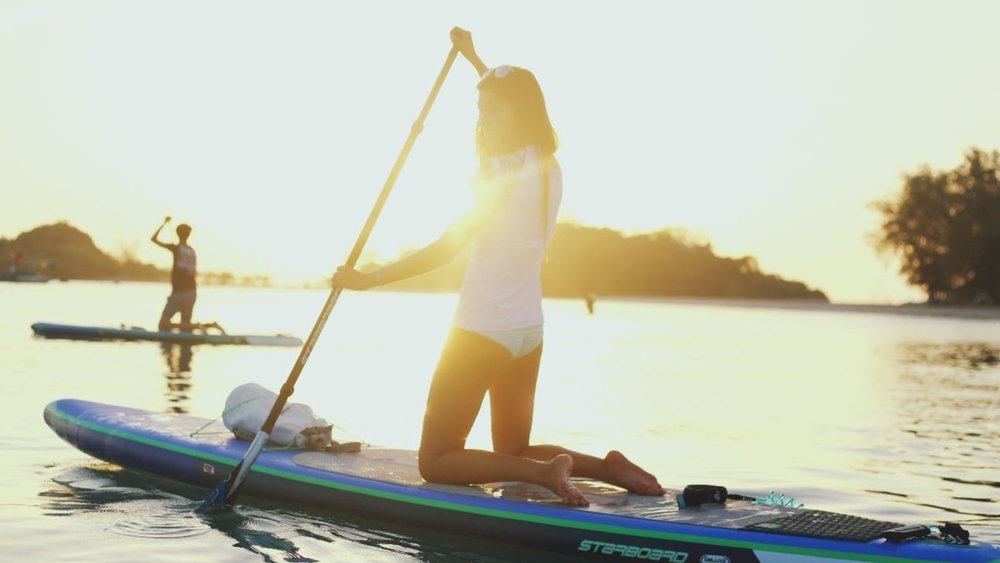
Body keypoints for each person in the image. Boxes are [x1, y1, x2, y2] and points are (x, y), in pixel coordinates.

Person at [330, 28, 664, 507]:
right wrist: (472, 58)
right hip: (528, 329)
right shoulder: (548, 163)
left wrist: (369, 280)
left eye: (493, 110)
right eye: (480, 108)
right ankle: (606, 468)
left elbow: (446, 249)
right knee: (513, 449)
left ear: (519, 112)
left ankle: (549, 473)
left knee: (438, 460)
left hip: (481, 328)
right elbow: (503, 87)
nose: (484, 117)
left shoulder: (497, 172)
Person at [151, 216, 225, 334]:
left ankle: (197, 326)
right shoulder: (192, 251)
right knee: (185, 328)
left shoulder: (176, 248)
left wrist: (164, 223)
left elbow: (153, 239)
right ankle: (211, 325)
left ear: (178, 234)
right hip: (192, 292)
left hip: (179, 293)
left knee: (163, 324)